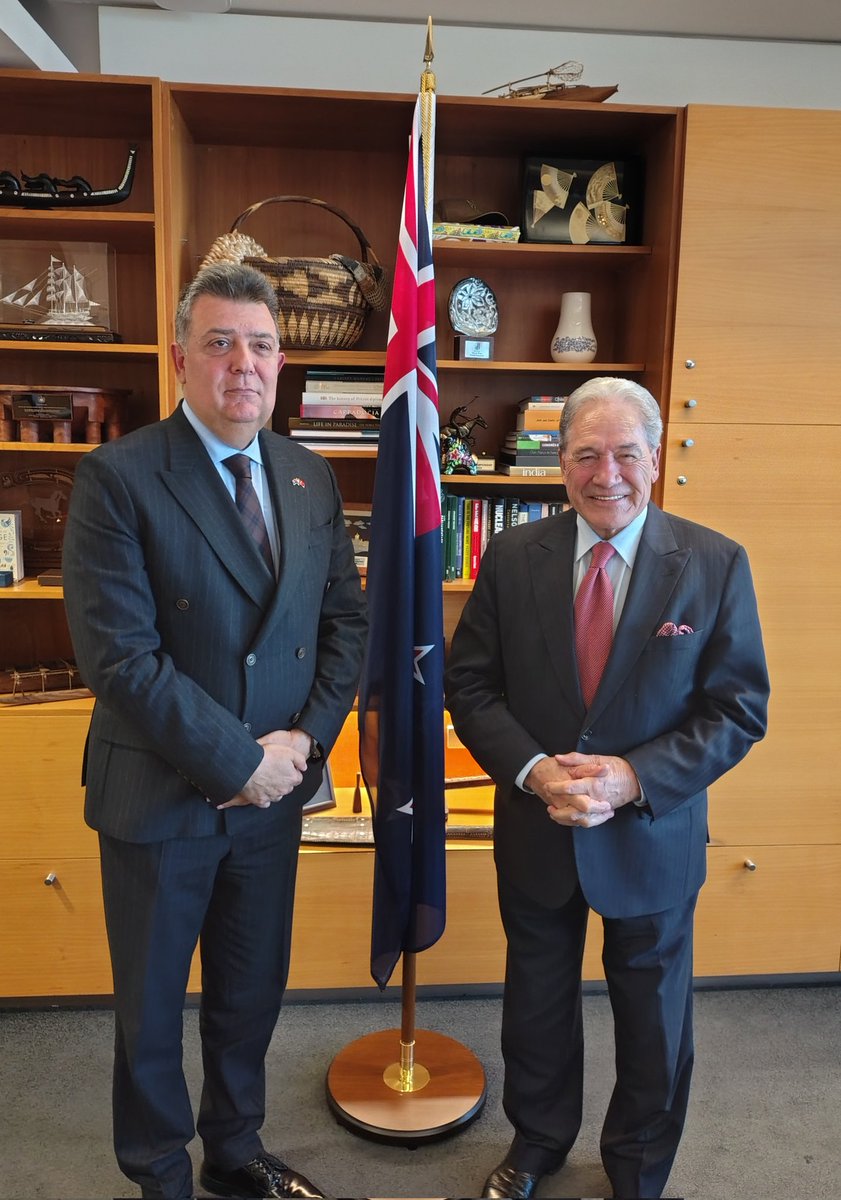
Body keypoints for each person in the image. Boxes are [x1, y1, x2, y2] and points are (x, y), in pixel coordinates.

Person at [62, 263, 367, 1200]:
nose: (244, 363)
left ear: (281, 362)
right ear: (180, 358)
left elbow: (343, 627)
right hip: (163, 792)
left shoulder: (310, 477)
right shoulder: (118, 476)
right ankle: (160, 1174)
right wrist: (239, 762)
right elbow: (121, 658)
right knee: (151, 1008)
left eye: (261, 345)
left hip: (273, 793)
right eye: (221, 342)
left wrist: (302, 748)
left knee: (248, 990)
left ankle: (235, 1151)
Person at [444, 377, 769, 1200]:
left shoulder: (713, 562)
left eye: (625, 453)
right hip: (538, 825)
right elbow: (471, 685)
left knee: (654, 1019)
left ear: (654, 459)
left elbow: (737, 709)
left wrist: (632, 778)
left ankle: (637, 1168)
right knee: (536, 1005)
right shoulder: (512, 557)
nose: (606, 474)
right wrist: (533, 769)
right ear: (561, 463)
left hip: (652, 834)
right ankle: (537, 1143)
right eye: (586, 454)